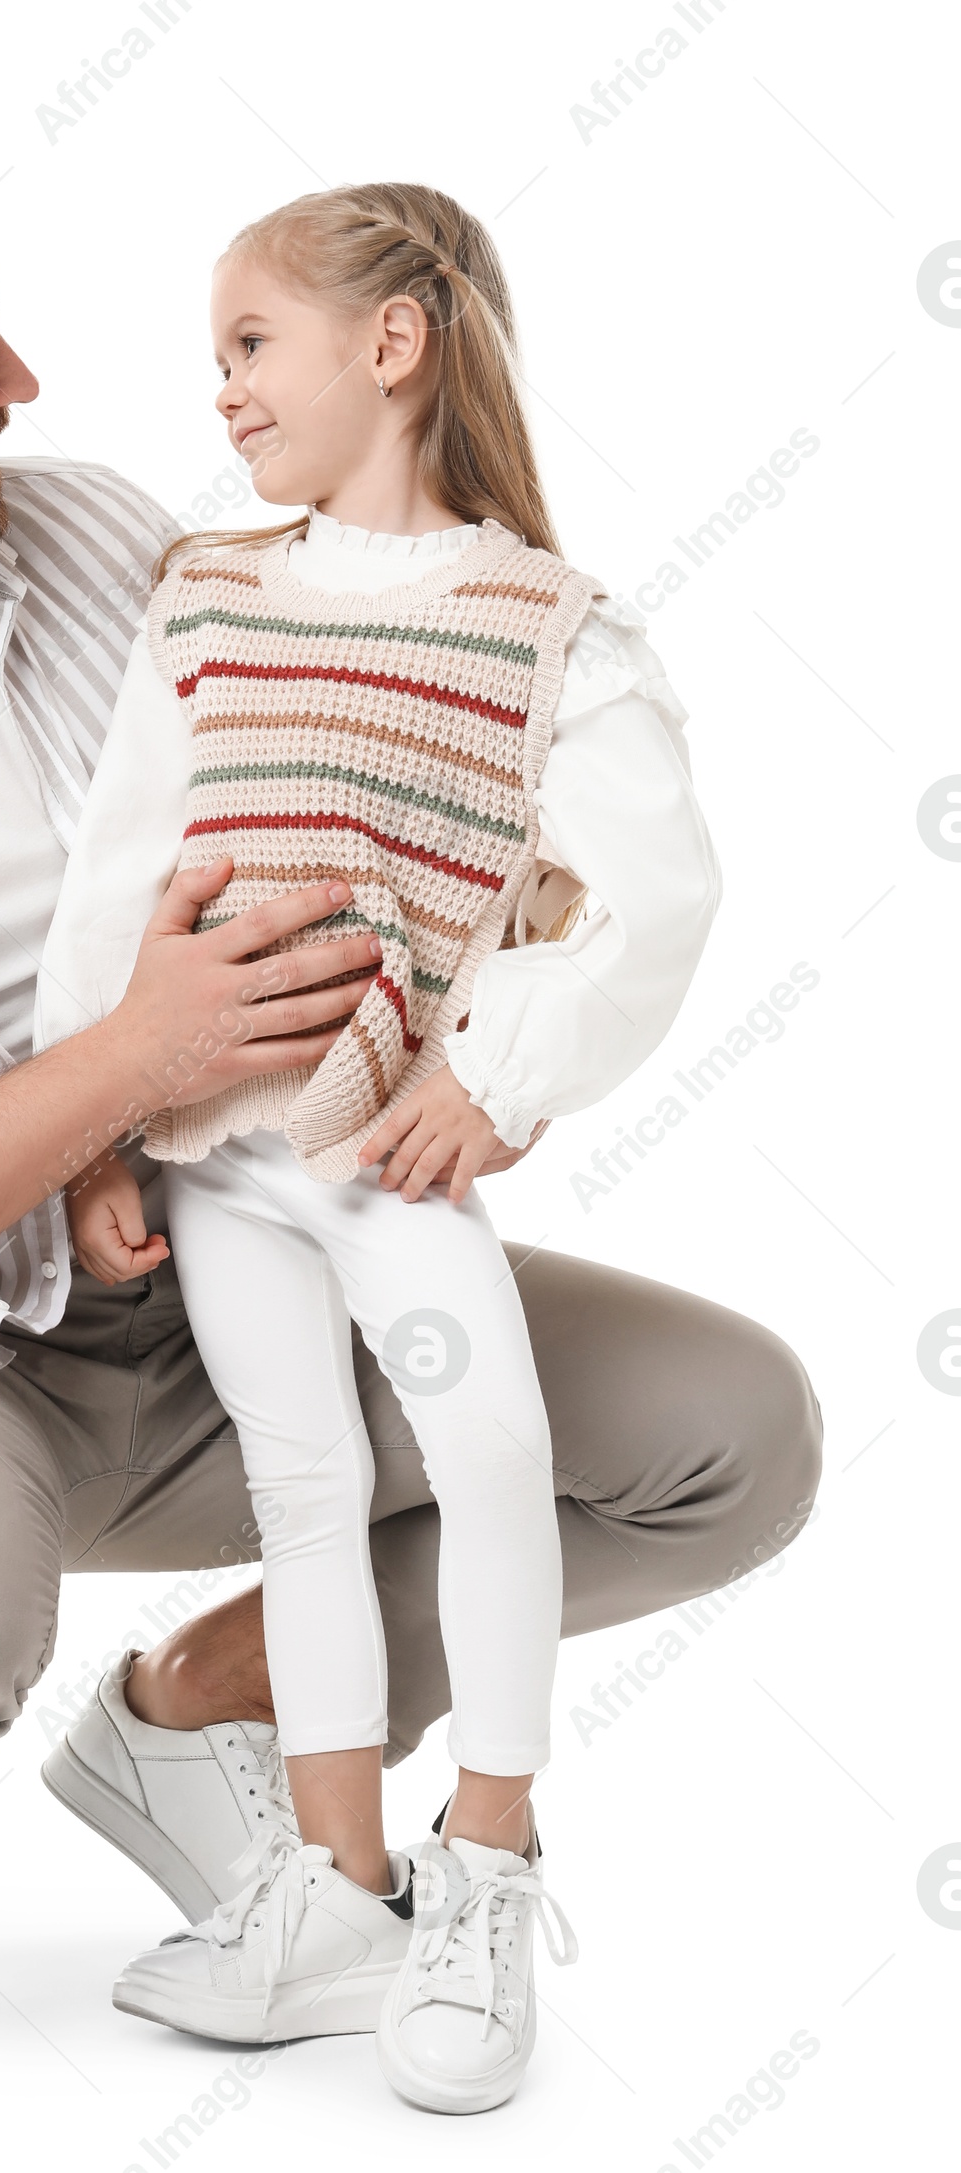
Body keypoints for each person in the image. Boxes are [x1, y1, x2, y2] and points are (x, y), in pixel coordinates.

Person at [0, 122, 820, 2051]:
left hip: (232, 1240)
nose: (26, 383)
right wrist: (118, 1070)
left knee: (729, 1435)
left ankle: (205, 1707)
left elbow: (398, 788)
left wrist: (507, 1036)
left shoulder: (107, 542)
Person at [52, 181, 717, 2112]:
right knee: (303, 1481)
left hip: (384, 1147)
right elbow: (121, 864)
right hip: (209, 1143)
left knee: (494, 1438)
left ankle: (485, 1862)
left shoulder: (538, 624)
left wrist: (496, 1078)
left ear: (393, 343)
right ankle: (341, 1886)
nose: (227, 392)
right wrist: (93, 1113)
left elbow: (655, 895)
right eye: (219, 361)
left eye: (252, 344)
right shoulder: (211, 588)